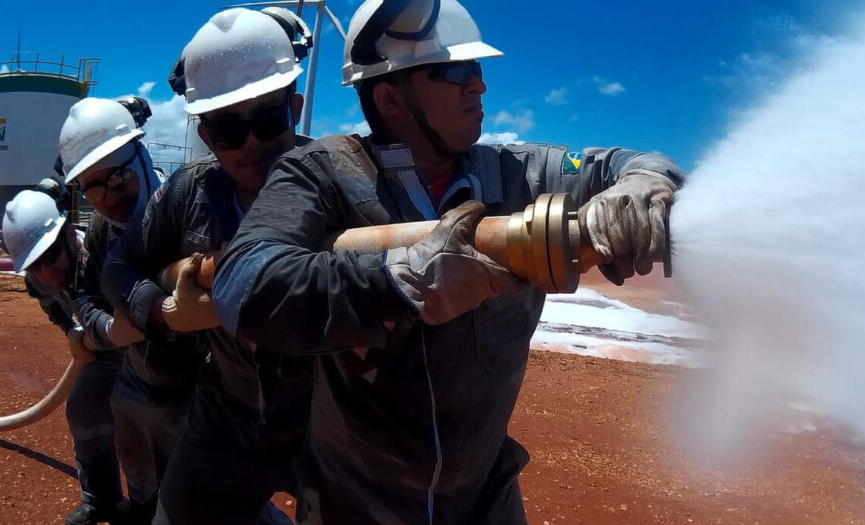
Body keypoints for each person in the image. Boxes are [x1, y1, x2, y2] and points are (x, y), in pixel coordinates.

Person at [213, 0, 684, 522]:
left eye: (477, 69)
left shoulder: (518, 173)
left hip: (484, 493)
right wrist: (397, 280)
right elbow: (242, 286)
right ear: (391, 97)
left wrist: (646, 181)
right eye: (458, 72)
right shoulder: (320, 175)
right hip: (357, 499)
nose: (478, 85)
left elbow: (623, 162)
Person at [101, 7, 314, 525]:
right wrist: (157, 310)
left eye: (268, 119)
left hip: (323, 422)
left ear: (295, 107)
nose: (251, 144)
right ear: (205, 132)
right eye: (227, 129)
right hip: (228, 412)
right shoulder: (187, 192)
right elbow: (118, 264)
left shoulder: (340, 183)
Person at [58, 95, 205, 524]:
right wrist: (106, 328)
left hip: (199, 385)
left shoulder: (189, 210)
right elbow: (85, 295)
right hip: (137, 380)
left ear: (141, 155)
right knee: (141, 481)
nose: (108, 197)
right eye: (92, 187)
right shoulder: (101, 232)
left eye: (118, 176)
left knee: (200, 493)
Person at [2, 183, 134, 525]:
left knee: (140, 413)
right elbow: (53, 308)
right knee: (82, 408)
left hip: (145, 347)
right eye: (34, 265)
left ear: (69, 235)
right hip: (102, 345)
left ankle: (151, 506)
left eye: (50, 257)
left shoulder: (101, 255)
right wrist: (72, 332)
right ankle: (100, 498)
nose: (46, 274)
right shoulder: (37, 279)